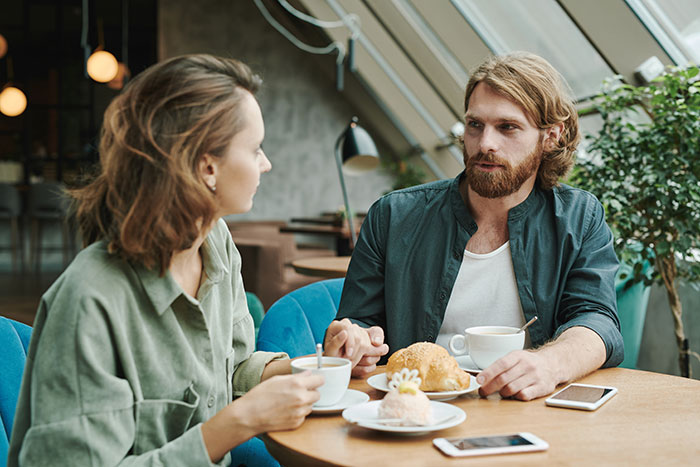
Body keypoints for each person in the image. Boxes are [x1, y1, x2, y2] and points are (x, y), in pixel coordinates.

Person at [8, 54, 324, 466]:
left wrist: (314, 366)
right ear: (207, 166)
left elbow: (233, 367)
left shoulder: (216, 243)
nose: (266, 163)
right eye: (256, 148)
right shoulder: (91, 298)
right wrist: (235, 424)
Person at [324, 51, 623, 401]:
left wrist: (549, 363)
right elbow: (356, 324)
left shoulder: (579, 217)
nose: (485, 144)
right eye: (474, 125)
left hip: (525, 410)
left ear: (551, 136)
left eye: (507, 127)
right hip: (414, 412)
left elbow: (598, 321)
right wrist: (352, 343)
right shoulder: (393, 216)